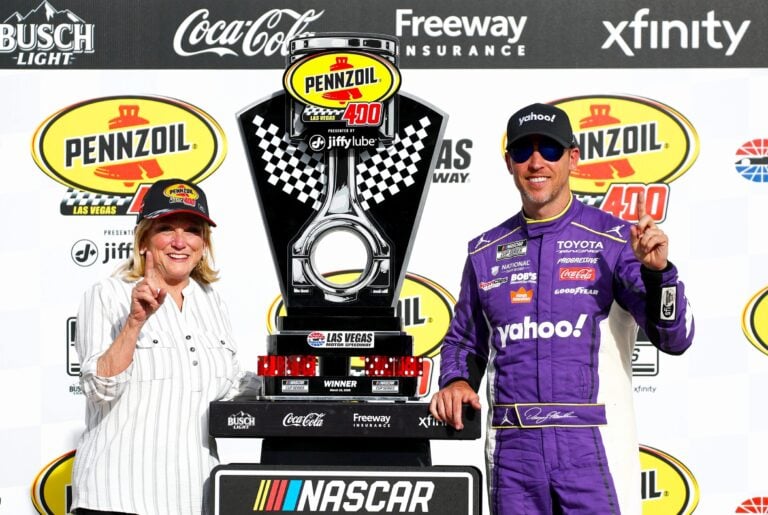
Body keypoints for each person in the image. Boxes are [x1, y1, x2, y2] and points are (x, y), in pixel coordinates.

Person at [429, 103, 694, 514]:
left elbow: (675, 338)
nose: (537, 163)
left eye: (550, 150)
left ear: (572, 158)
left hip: (593, 449)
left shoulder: (616, 240)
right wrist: (456, 381)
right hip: (514, 456)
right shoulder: (485, 252)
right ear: (509, 163)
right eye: (523, 152)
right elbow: (465, 340)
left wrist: (659, 274)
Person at [71, 179, 258, 515]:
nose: (179, 241)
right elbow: (100, 388)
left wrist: (292, 379)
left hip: (193, 497)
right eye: (166, 228)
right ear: (144, 240)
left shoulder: (212, 302)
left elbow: (229, 387)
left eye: (192, 229)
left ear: (203, 243)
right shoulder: (108, 294)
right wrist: (134, 323)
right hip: (115, 498)